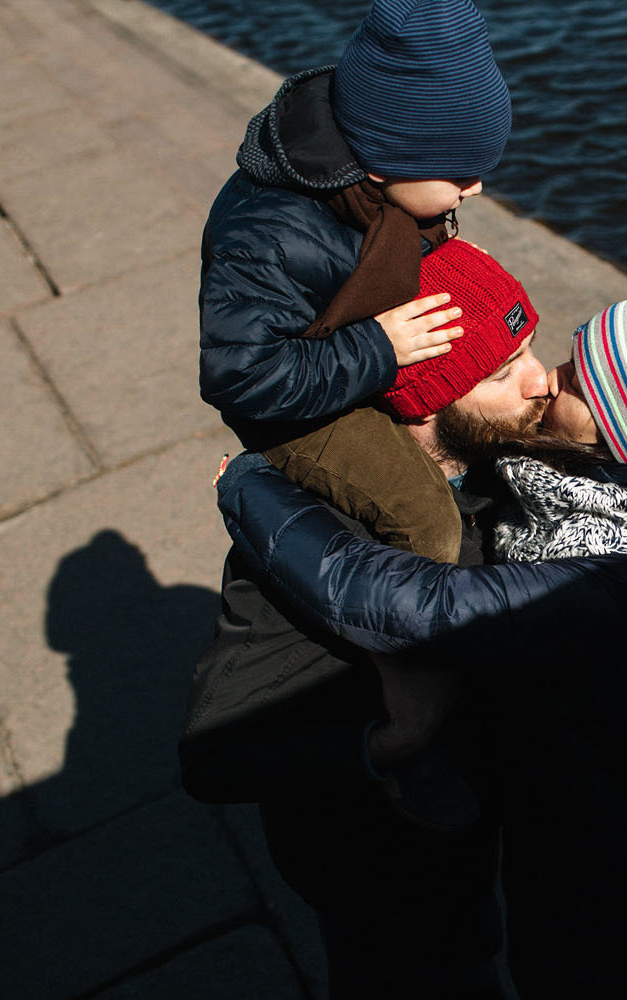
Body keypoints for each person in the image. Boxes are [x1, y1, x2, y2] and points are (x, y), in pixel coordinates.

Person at [215, 299, 627, 999]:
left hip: (620, 908)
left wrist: (250, 484)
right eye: (569, 358)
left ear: (623, 436)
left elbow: (395, 600)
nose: (547, 380)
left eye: (578, 385)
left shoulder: (616, 579)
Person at [181, 240, 550, 1000]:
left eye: (531, 350)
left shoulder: (488, 467)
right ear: (426, 398)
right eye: (501, 372)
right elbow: (214, 758)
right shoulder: (321, 544)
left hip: (469, 841)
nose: (540, 382)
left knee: (474, 952)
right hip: (376, 877)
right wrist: (391, 741)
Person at [199, 0, 515, 563]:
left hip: (350, 352)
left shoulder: (376, 186)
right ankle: (391, 635)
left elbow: (386, 252)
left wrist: (449, 261)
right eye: (461, 175)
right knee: (428, 522)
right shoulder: (267, 236)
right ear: (382, 162)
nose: (476, 190)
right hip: (295, 410)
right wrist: (379, 347)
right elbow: (240, 377)